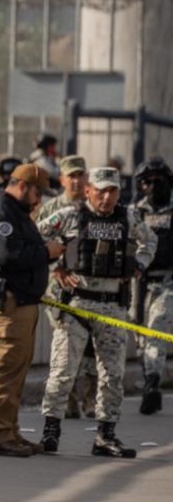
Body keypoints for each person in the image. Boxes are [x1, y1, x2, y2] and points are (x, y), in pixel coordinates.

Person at [36, 166, 155, 458]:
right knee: (63, 370)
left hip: (113, 306)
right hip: (76, 305)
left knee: (112, 374)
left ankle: (105, 436)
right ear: (88, 190)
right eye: (100, 191)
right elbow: (36, 236)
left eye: (112, 191)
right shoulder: (70, 215)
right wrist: (56, 267)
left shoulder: (129, 218)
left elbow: (150, 240)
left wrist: (139, 264)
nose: (106, 197)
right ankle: (50, 431)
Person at [0, 164, 64, 457]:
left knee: (16, 371)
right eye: (38, 193)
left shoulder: (17, 214)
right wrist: (46, 252)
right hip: (8, 305)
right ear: (23, 186)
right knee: (5, 371)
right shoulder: (0, 213)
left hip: (22, 304)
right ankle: (0, 436)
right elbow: (8, 255)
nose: (39, 200)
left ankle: (10, 431)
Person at [36, 155, 97, 419]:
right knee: (66, 346)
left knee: (92, 346)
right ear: (61, 179)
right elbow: (36, 244)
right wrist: (55, 268)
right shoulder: (51, 209)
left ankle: (91, 400)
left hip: (91, 287)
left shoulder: (96, 206)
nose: (76, 181)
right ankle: (70, 401)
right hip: (59, 290)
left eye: (80, 175)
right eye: (71, 176)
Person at [134, 157, 173, 415]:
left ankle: (151, 383)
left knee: (156, 329)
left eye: (158, 181)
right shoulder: (135, 212)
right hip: (139, 282)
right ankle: (149, 378)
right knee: (139, 335)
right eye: (147, 181)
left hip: (167, 281)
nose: (152, 186)